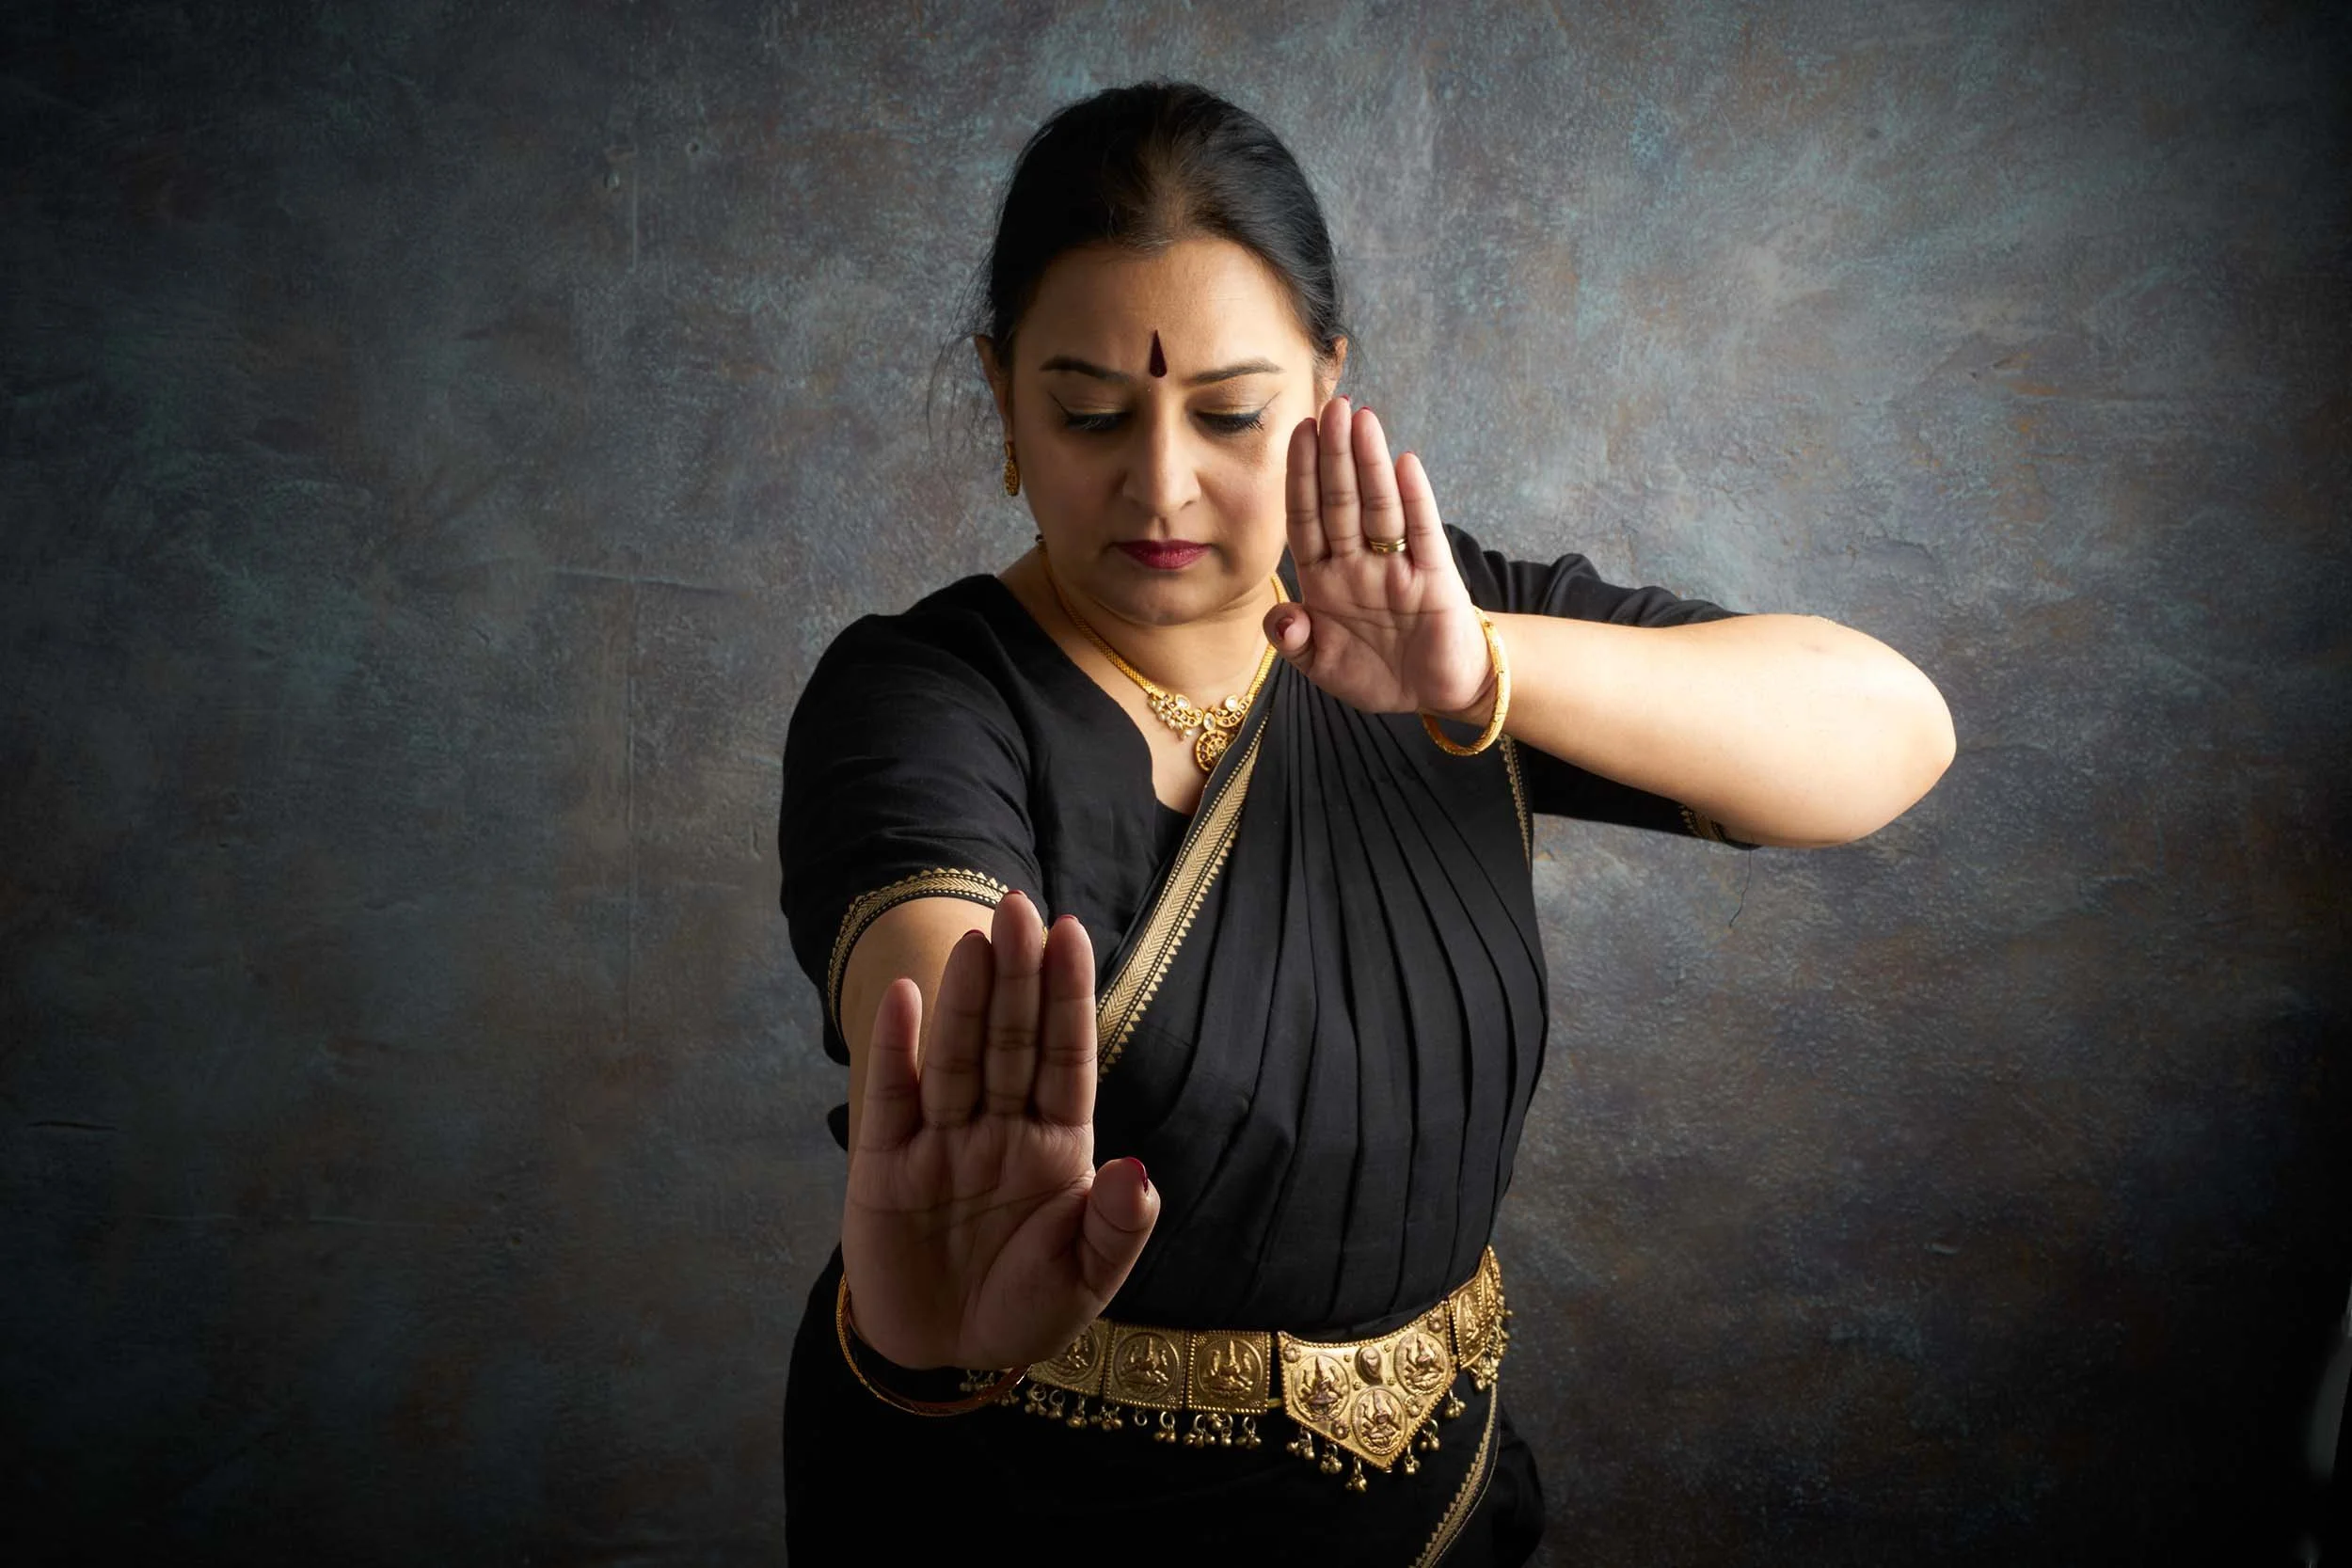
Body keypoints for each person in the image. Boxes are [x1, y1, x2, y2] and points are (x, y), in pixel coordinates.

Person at [775, 79, 1955, 1566]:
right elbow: (941, 989)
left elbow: (1894, 730)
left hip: (1444, 1508)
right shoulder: (927, 696)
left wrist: (1476, 668)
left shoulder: (1421, 613)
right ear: (1003, 397)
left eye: (1231, 413)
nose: (1161, 482)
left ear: (1327, 388)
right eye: (1088, 413)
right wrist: (956, 1158)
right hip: (1035, 1516)